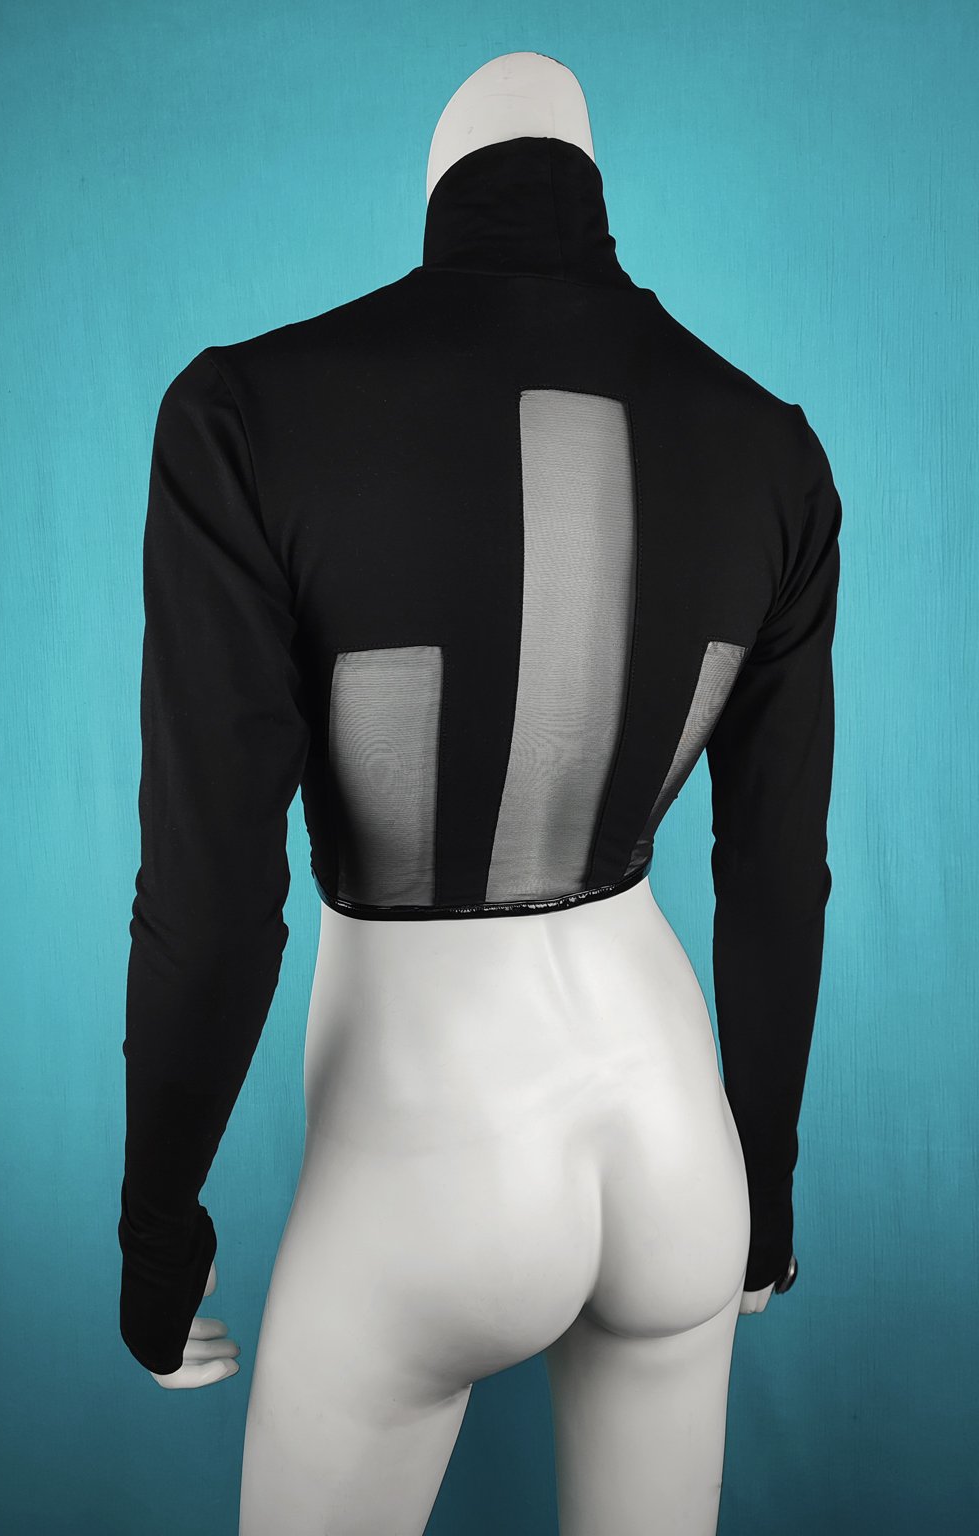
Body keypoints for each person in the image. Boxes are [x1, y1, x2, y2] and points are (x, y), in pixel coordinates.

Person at [118, 51, 841, 1536]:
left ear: (441, 173)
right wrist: (763, 1192)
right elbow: (777, 872)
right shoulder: (775, 446)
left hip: (428, 1161)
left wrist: (159, 1232)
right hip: (673, 1137)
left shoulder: (247, 413)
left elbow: (214, 889)